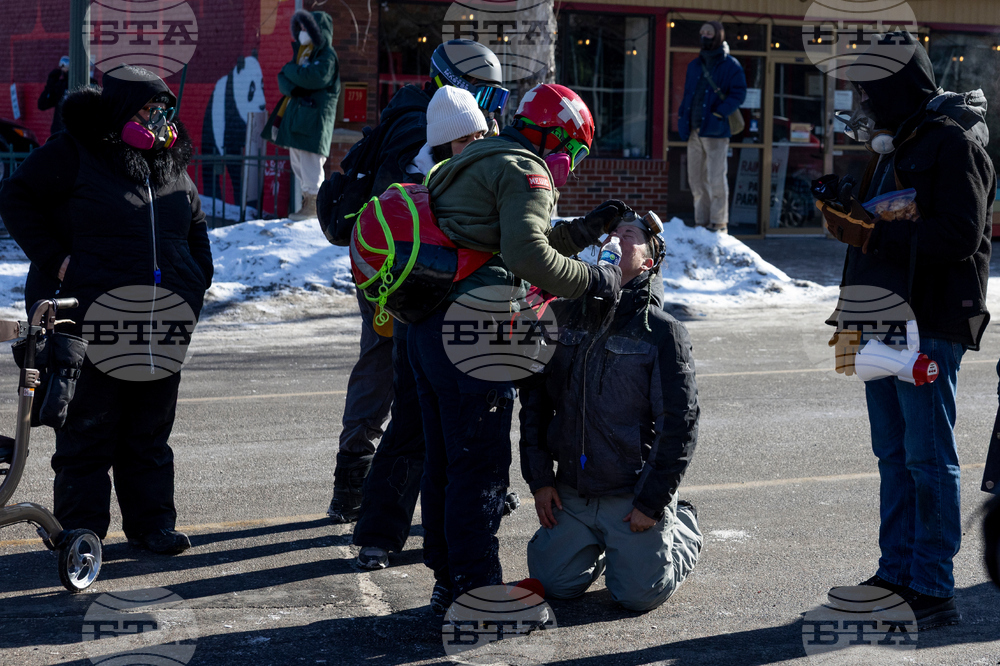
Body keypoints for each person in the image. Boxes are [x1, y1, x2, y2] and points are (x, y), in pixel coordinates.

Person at [411, 82, 628, 611]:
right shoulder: (526, 170)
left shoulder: (476, 157)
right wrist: (598, 277)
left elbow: (497, 241)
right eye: (573, 150)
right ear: (552, 137)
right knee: (480, 469)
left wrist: (579, 233)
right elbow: (527, 256)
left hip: (427, 328)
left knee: (444, 460)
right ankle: (477, 593)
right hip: (475, 335)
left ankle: (449, 578)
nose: (570, 164)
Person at [0, 65, 214, 555]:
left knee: (150, 432)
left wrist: (195, 280)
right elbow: (16, 197)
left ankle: (152, 524)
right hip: (90, 317)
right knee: (88, 431)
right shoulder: (75, 152)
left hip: (161, 322)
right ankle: (81, 533)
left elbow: (195, 227)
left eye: (164, 111)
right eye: (148, 110)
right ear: (120, 111)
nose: (159, 120)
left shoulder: (170, 164)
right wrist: (57, 261)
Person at [821, 32, 993, 628]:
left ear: (900, 83)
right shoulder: (895, 143)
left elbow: (962, 235)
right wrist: (850, 219)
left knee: (926, 457)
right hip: (876, 313)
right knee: (891, 455)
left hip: (930, 319)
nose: (866, 99)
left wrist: (877, 233)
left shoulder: (952, 141)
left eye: (872, 86)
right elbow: (878, 228)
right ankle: (895, 572)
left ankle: (933, 586)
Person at [326, 39, 509, 524]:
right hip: (399, 269)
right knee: (392, 372)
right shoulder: (419, 130)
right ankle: (355, 483)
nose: (490, 114)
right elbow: (415, 206)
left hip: (406, 265)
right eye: (484, 97)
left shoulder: (417, 112)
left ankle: (372, 487)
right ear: (456, 86)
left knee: (400, 373)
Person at [519, 212, 702, 611]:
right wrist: (540, 481)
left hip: (630, 496)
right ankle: (601, 544)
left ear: (648, 263)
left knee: (638, 596)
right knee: (552, 583)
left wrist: (651, 503)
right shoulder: (563, 315)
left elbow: (680, 424)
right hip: (572, 492)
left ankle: (681, 525)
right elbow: (534, 402)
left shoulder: (661, 330)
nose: (616, 239)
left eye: (630, 235)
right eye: (612, 233)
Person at [351, 85, 488, 571]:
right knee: (429, 429)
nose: (480, 139)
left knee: (411, 423)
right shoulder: (455, 177)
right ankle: (402, 534)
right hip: (437, 311)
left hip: (409, 308)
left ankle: (378, 534)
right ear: (460, 136)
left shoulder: (415, 167)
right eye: (474, 133)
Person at [262, 9, 340, 221]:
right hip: (298, 120)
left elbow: (313, 77)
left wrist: (291, 71)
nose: (304, 32)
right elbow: (283, 79)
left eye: (308, 27)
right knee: (298, 161)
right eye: (302, 27)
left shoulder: (327, 56)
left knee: (310, 162)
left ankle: (314, 205)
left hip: (314, 122)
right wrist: (294, 81)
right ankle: (308, 201)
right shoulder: (301, 55)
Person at [676, 21, 747, 233]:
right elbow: (689, 95)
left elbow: (739, 94)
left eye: (708, 32)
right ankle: (701, 222)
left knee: (716, 178)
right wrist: (682, 118)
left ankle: (718, 222)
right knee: (696, 179)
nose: (704, 36)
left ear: (718, 35)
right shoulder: (695, 65)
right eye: (702, 32)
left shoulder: (730, 65)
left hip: (715, 129)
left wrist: (719, 112)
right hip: (694, 130)